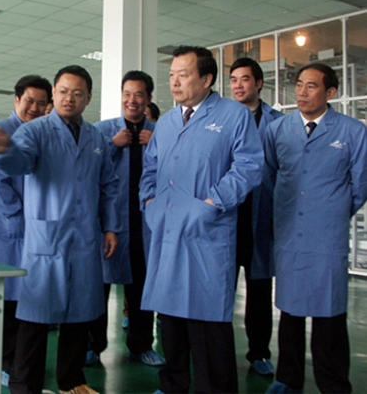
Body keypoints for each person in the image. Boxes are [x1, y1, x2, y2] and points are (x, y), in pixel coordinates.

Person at [0, 65, 121, 394]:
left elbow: (109, 184)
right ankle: (25, 385)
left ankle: (72, 380)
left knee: (80, 315)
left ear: (88, 98)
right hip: (47, 238)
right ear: (54, 93)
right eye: (64, 91)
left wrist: (111, 226)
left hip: (85, 237)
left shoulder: (96, 138)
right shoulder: (35, 131)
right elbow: (21, 162)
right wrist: (6, 150)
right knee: (35, 318)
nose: (70, 98)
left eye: (78, 93)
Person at [139, 46, 263, 394]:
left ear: (207, 79)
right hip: (167, 230)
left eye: (184, 75)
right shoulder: (166, 122)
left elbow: (249, 166)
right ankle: (173, 384)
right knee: (170, 318)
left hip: (206, 232)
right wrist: (148, 202)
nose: (175, 82)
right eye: (171, 75)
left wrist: (211, 204)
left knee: (207, 322)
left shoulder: (233, 116)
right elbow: (150, 168)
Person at [263, 63, 367, 394]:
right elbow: (269, 174)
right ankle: (287, 378)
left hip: (327, 236)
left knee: (329, 314)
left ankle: (334, 384)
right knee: (290, 311)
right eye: (299, 85)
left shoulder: (352, 131)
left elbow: (360, 185)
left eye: (311, 86)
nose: (302, 92)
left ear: (331, 92)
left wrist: (331, 212)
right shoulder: (278, 129)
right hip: (289, 231)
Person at [0, 75, 52, 387]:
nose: (34, 107)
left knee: (29, 301)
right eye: (29, 100)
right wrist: (19, 218)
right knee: (6, 301)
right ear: (17, 100)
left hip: (34, 229)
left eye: (41, 103)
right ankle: (6, 363)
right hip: (6, 228)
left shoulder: (41, 132)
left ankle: (21, 363)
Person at [87, 71, 165, 367]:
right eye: (127, 94)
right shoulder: (102, 130)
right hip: (110, 221)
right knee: (99, 287)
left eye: (139, 95)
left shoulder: (161, 131)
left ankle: (140, 345)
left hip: (146, 223)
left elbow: (179, 165)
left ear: (148, 98)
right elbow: (86, 165)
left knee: (143, 286)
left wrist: (159, 144)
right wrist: (112, 144)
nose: (132, 100)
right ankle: (93, 346)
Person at [229, 57, 283, 376]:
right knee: (220, 287)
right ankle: (215, 350)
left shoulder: (278, 123)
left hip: (262, 219)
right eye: (234, 79)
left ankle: (259, 353)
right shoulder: (222, 119)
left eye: (245, 79)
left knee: (260, 291)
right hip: (228, 217)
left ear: (259, 83)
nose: (238, 85)